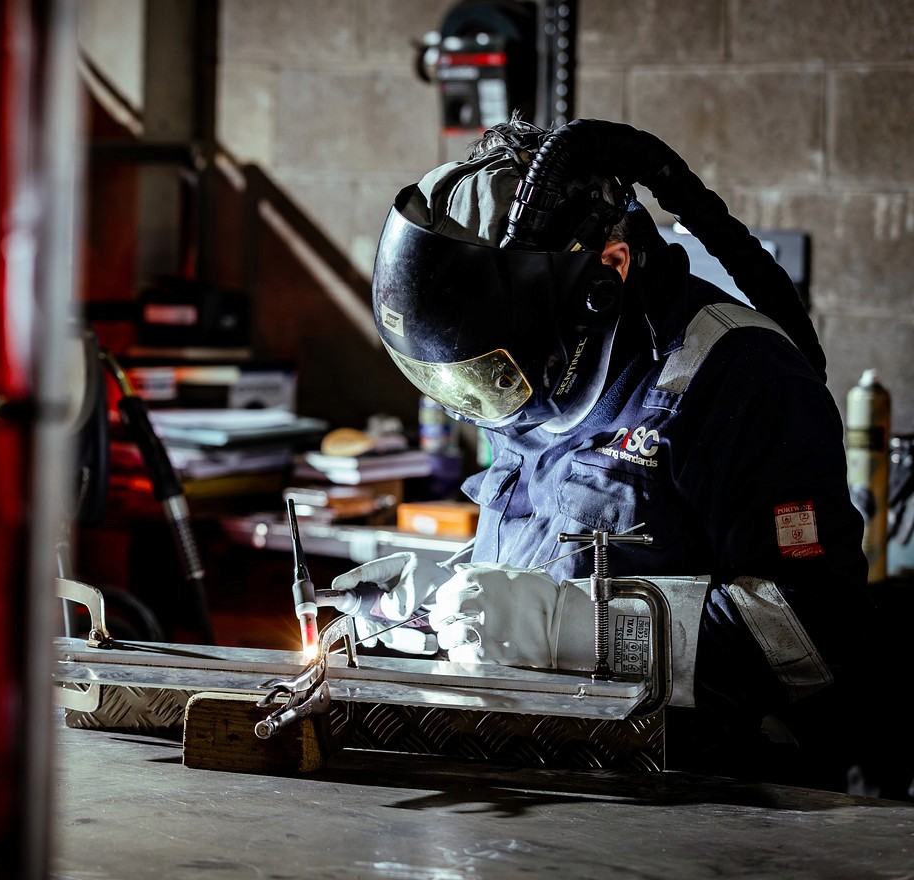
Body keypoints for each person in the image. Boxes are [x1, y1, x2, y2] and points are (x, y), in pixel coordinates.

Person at [332, 116, 894, 794]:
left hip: (706, 802)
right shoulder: (537, 369)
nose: (492, 402)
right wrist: (447, 604)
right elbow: (548, 559)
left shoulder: (743, 378)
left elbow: (811, 636)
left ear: (612, 269)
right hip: (543, 784)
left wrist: (572, 629)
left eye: (491, 374)